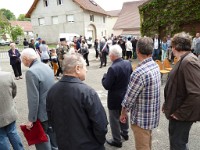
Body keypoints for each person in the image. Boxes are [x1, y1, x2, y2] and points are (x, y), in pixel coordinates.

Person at [46, 53, 108, 150]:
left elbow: (51, 120)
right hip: (89, 146)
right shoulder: (87, 92)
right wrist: (99, 141)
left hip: (64, 144)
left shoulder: (52, 90)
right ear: (77, 68)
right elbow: (101, 124)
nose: (86, 70)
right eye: (85, 67)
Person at [120, 37, 161, 150]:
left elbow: (129, 99)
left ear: (137, 51)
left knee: (142, 146)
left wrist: (123, 113)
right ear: (151, 51)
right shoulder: (155, 65)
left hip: (141, 119)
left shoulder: (139, 72)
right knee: (147, 143)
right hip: (152, 116)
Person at [162, 32, 200, 150]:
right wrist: (167, 103)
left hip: (181, 115)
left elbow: (196, 93)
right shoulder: (185, 59)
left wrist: (180, 114)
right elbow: (178, 86)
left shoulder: (189, 61)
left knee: (178, 144)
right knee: (176, 142)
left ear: (175, 47)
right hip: (177, 110)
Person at [21, 48, 58, 150]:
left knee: (42, 141)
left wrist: (31, 119)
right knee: (54, 140)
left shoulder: (31, 72)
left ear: (26, 59)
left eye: (22, 60)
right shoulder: (46, 66)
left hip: (42, 113)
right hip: (52, 109)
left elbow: (33, 98)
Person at [102, 44, 132, 148]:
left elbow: (106, 85)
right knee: (124, 114)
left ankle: (117, 140)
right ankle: (125, 132)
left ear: (113, 55)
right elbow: (130, 77)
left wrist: (104, 77)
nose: (109, 56)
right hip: (125, 95)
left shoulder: (113, 68)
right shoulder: (128, 63)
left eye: (110, 54)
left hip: (115, 98)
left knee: (114, 119)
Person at [0, 67, 24, 150]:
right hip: (9, 111)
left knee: (1, 137)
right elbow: (14, 91)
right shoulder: (7, 75)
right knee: (13, 132)